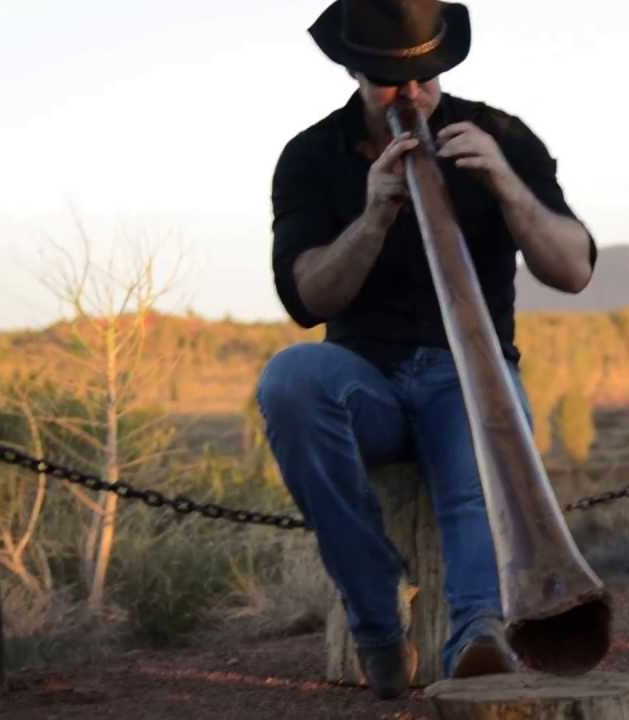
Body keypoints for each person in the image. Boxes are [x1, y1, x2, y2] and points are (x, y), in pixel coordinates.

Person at [255, 0, 597, 702]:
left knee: (476, 443)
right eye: (389, 79)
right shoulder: (311, 156)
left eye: (426, 77)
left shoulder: (499, 134)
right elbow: (307, 299)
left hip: (471, 376)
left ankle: (480, 634)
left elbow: (573, 269)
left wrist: (504, 181)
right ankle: (378, 625)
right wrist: (374, 212)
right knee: (290, 382)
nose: (412, 94)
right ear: (353, 70)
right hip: (364, 380)